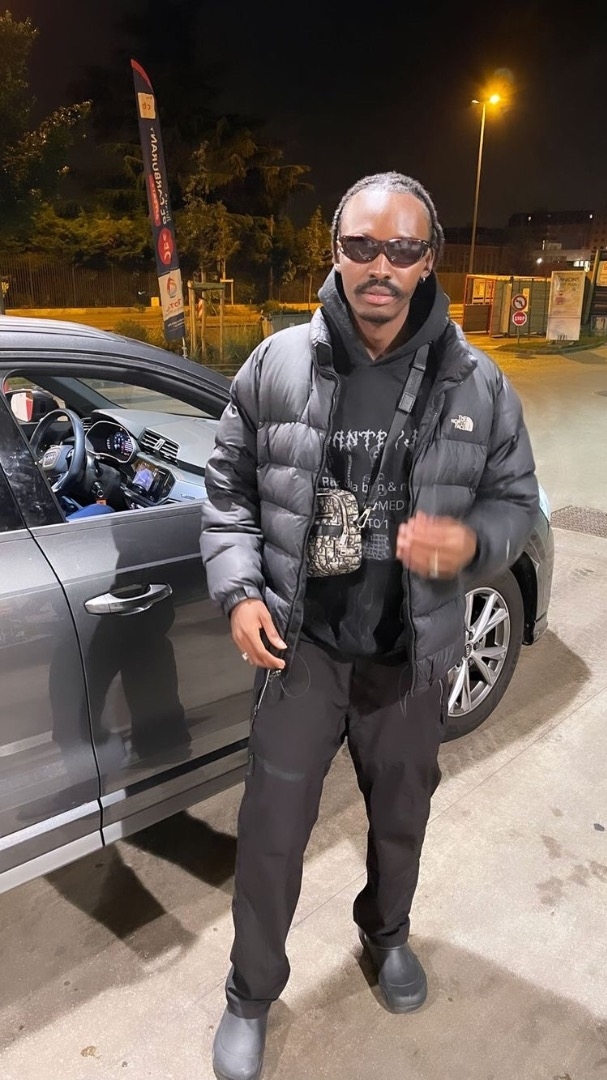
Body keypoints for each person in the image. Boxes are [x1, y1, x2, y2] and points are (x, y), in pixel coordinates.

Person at [200, 171, 539, 1080]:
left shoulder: (477, 381)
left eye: (401, 248)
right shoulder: (276, 364)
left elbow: (517, 503)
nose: (379, 265)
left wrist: (471, 543)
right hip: (301, 649)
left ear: (429, 260)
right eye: (361, 246)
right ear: (335, 252)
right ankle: (249, 992)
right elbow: (226, 492)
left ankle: (385, 937)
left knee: (399, 819)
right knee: (271, 833)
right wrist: (239, 592)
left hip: (408, 654)